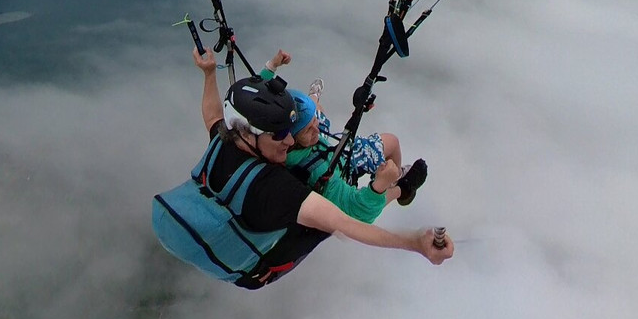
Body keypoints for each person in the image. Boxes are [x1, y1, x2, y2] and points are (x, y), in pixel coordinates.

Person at [150, 49, 453, 289]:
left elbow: (213, 115)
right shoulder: (275, 189)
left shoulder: (227, 138)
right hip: (260, 267)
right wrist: (414, 242)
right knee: (320, 219)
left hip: (229, 217)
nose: (290, 140)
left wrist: (208, 75)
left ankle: (395, 185)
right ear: (250, 134)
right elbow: (347, 223)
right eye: (280, 135)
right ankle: (402, 187)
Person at [261, 49, 427, 205]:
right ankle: (397, 184)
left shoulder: (269, 132)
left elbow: (257, 97)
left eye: (314, 124)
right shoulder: (318, 172)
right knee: (392, 142)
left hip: (321, 150)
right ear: (289, 140)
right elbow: (357, 209)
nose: (316, 130)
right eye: (309, 129)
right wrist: (381, 185)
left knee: (316, 110)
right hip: (339, 166)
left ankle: (313, 98)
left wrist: (271, 67)